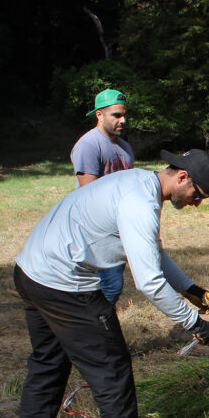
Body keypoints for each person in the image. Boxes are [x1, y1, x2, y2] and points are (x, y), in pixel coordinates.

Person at [11, 149, 209, 418]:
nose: (196, 204)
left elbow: (151, 251)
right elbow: (149, 283)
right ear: (182, 177)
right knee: (111, 369)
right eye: (197, 195)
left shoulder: (138, 182)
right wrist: (194, 323)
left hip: (31, 273)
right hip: (65, 286)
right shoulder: (140, 203)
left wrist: (190, 289)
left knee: (48, 362)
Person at [70, 88, 135, 304]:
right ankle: (97, 330)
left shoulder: (125, 148)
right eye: (116, 115)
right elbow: (89, 194)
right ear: (99, 114)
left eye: (124, 115)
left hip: (117, 227)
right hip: (96, 229)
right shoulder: (89, 144)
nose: (123, 120)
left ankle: (98, 329)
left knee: (109, 286)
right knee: (110, 286)